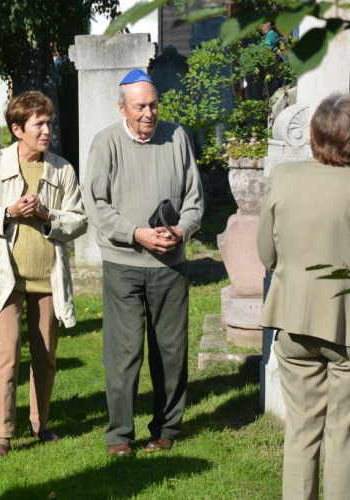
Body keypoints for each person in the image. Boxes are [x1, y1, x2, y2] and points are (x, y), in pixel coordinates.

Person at [257, 93, 350, 500]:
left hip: (292, 321)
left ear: (314, 134)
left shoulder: (282, 177)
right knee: (345, 438)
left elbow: (266, 254)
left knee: (302, 431)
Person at [82, 69, 204, 457]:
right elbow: (96, 204)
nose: (149, 113)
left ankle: (166, 428)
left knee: (170, 349)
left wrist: (181, 231)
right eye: (140, 107)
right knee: (124, 351)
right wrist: (136, 233)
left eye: (153, 104)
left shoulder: (177, 136)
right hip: (124, 262)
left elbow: (194, 198)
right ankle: (119, 434)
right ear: (122, 108)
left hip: (169, 265)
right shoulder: (106, 143)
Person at [0, 91, 87, 459]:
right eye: (39, 124)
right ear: (18, 129)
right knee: (7, 352)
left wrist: (48, 214)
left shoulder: (62, 169)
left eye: (49, 123)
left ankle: (40, 423)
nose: (47, 130)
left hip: (48, 278)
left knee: (46, 355)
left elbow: (79, 221)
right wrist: (9, 211)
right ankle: (2, 434)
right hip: (6, 277)